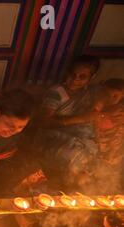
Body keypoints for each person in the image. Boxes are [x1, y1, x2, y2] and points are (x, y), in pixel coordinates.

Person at [32, 55, 100, 189]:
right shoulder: (57, 93)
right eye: (72, 74)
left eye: (82, 77)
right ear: (66, 72)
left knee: (94, 158)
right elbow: (44, 122)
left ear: (90, 78)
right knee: (72, 155)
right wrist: (80, 119)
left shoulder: (88, 93)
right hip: (53, 138)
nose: (75, 79)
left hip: (79, 139)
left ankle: (78, 190)